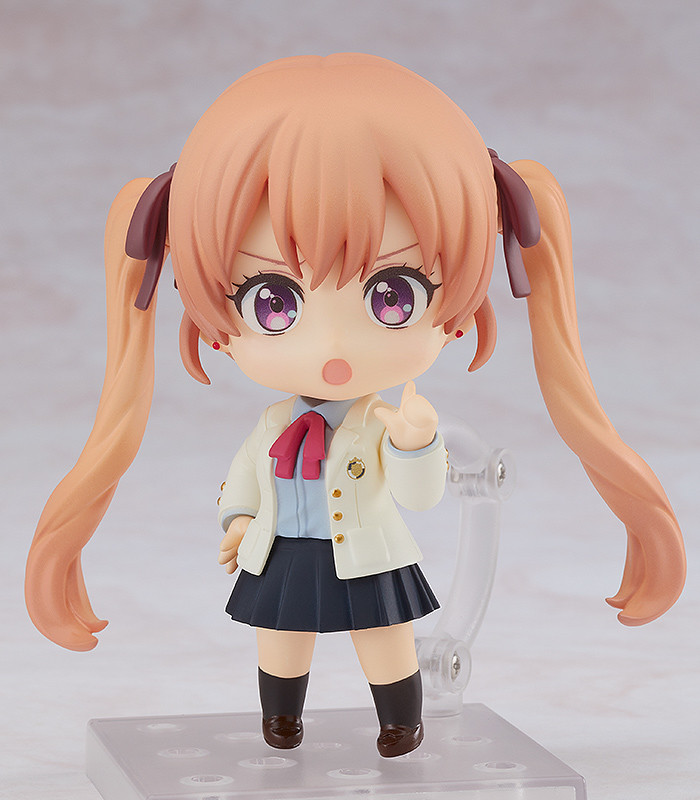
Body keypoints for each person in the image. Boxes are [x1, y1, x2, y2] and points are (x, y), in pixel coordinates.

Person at [26, 53, 686, 758]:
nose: (333, 347)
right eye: (273, 302)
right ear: (212, 313)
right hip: (282, 549)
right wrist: (238, 520)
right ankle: (282, 719)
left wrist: (414, 443)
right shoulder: (273, 425)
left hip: (370, 550)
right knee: (279, 638)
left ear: (457, 306)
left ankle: (400, 721)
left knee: (385, 637)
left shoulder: (382, 421)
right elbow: (246, 478)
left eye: (392, 296)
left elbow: (421, 496)